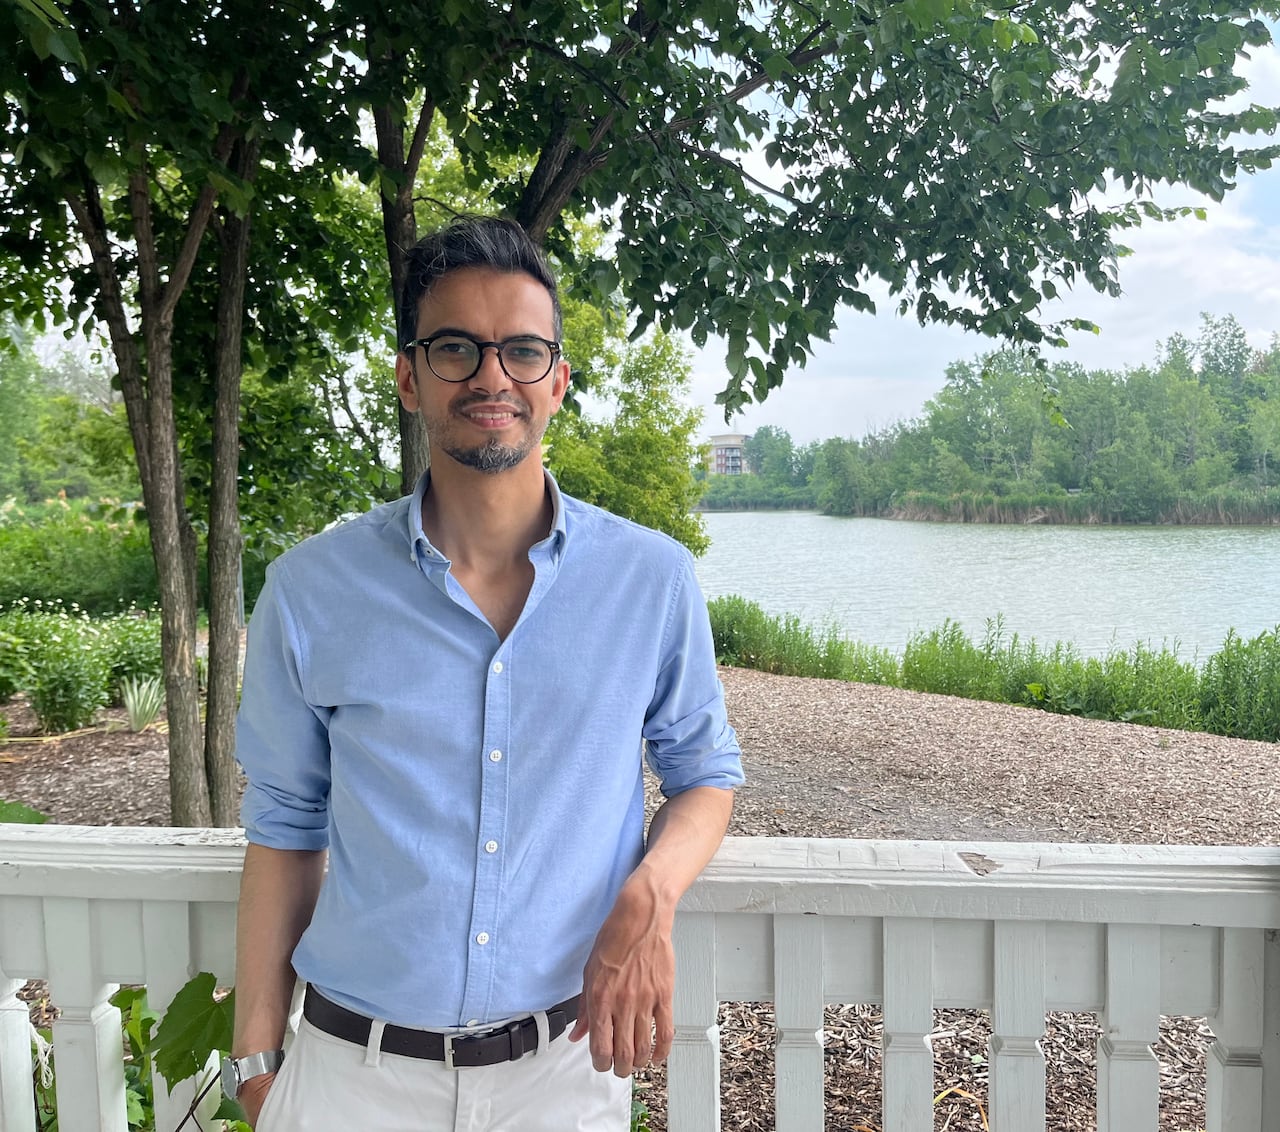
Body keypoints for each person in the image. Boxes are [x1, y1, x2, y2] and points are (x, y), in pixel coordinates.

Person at [225, 216, 744, 1130]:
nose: (491, 376)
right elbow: (285, 824)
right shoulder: (311, 591)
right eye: (456, 348)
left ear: (558, 382)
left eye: (523, 351)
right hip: (354, 1077)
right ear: (408, 377)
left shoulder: (650, 580)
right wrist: (259, 1059)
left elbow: (704, 776)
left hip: (564, 1073)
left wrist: (649, 896)